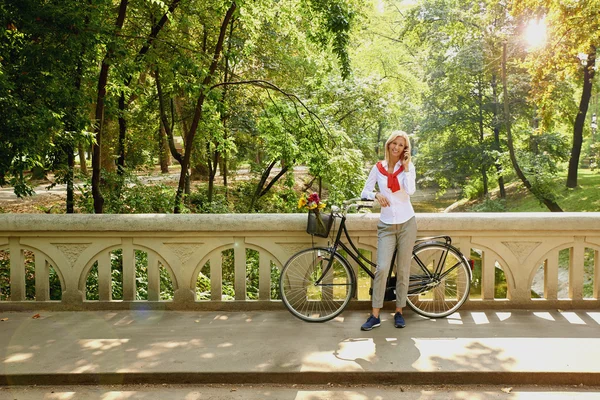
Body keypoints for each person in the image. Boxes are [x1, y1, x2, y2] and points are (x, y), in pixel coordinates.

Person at [359, 130, 417, 331]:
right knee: (382, 268)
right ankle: (375, 315)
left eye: (401, 145)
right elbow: (364, 191)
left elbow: (410, 191)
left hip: (407, 223)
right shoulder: (378, 168)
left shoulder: (407, 168)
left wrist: (407, 167)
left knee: (402, 269)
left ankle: (399, 311)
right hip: (386, 226)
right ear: (389, 144)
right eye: (395, 143)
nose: (397, 147)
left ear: (405, 149)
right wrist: (376, 195)